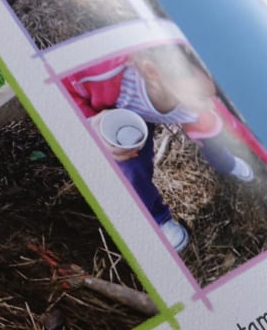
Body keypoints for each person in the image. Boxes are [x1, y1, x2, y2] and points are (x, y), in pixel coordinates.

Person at [62, 43, 257, 253]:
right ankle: (158, 218)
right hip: (126, 116)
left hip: (195, 116)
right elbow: (68, 91)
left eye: (218, 95)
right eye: (202, 95)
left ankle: (226, 163)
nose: (212, 103)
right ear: (153, 72)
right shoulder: (104, 74)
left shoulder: (207, 106)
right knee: (129, 167)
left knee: (216, 142)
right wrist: (91, 123)